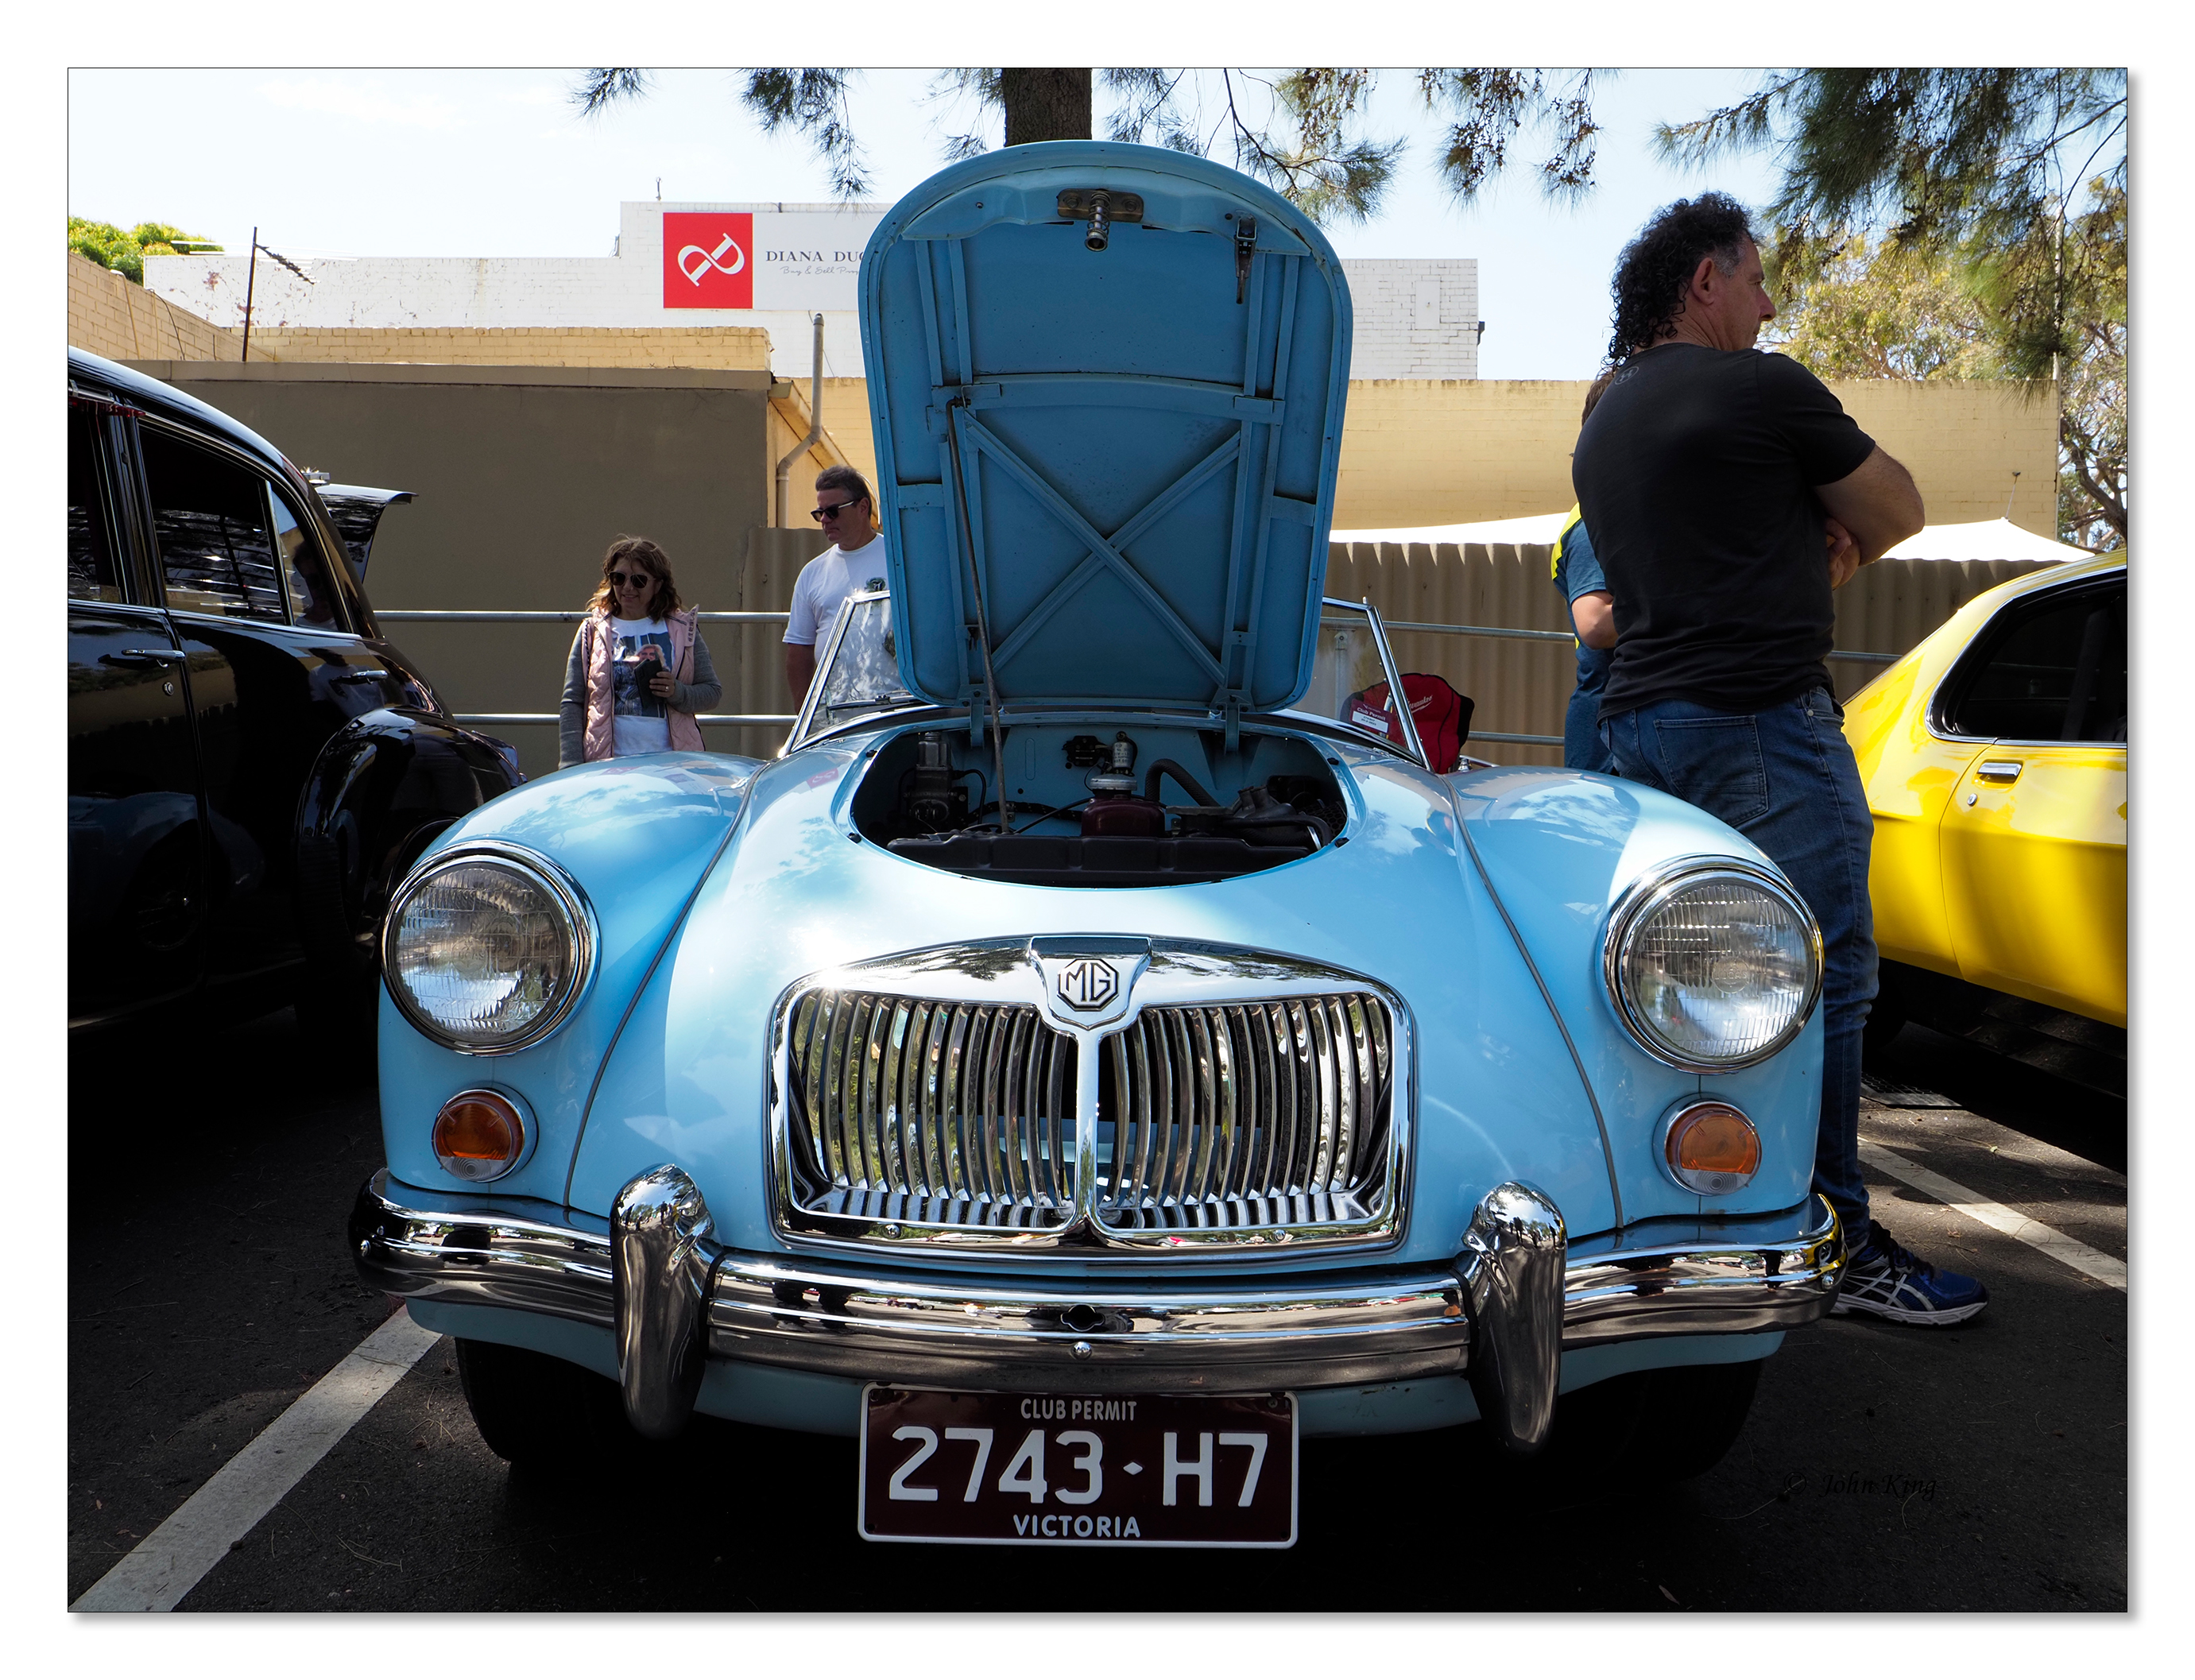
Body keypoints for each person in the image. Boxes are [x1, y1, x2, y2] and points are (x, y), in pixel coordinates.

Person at [1574, 192, 1987, 1326]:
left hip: (1638, 733)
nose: (1767, 306)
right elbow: (1897, 506)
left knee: (1667, 987)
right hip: (1762, 723)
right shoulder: (1759, 386)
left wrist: (1796, 537)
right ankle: (1839, 1241)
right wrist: (1832, 545)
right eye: (1754, 280)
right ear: (1702, 281)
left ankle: (1668, 1225)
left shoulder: (1602, 423)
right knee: (1825, 981)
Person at [558, 536, 722, 768]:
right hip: (606, 765)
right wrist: (570, 764)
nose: (627, 587)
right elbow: (573, 702)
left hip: (673, 765)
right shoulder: (592, 631)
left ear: (658, 585)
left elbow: (712, 692)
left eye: (639, 581)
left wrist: (677, 692)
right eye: (619, 578)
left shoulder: (682, 629)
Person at [784, 465, 889, 703]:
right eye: (819, 513)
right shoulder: (812, 572)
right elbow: (799, 649)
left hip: (896, 705)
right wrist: (805, 712)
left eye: (832, 511)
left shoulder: (899, 562)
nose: (824, 520)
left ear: (863, 507)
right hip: (836, 710)